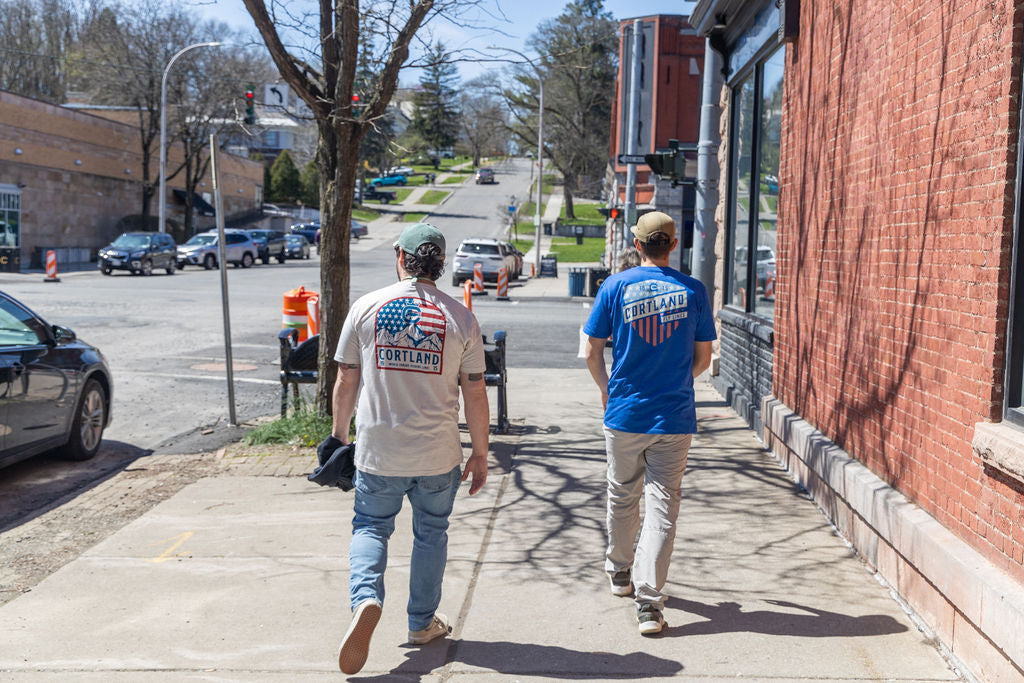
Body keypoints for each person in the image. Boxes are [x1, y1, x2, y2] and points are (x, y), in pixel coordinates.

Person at [328, 222, 490, 674]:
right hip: (439, 454)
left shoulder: (366, 307)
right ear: (440, 264)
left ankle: (366, 600)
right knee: (431, 533)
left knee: (371, 528)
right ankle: (421, 623)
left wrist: (338, 437)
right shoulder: (461, 318)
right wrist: (480, 452)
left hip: (379, 450)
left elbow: (346, 379)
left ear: (399, 255)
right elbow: (475, 392)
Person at [582, 211, 716, 635]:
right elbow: (703, 359)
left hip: (624, 413)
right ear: (673, 245)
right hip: (674, 416)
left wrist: (606, 388)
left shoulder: (615, 287)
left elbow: (591, 351)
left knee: (623, 495)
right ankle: (649, 603)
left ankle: (619, 572)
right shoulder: (694, 290)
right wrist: (674, 381)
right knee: (662, 505)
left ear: (637, 244)